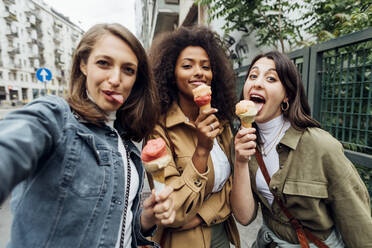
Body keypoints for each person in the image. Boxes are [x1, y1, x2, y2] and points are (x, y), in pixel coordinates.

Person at [0, 23, 175, 248]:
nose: (115, 79)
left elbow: (116, 230)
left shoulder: (128, 145)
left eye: (128, 70)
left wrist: (146, 218)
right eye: (104, 63)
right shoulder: (56, 117)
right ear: (83, 64)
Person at [231, 51, 372, 247]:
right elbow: (244, 217)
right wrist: (240, 161)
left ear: (286, 95)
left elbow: (357, 220)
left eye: (271, 78)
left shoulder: (320, 145)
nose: (257, 83)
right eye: (253, 76)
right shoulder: (242, 144)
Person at [145, 25, 240, 248]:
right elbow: (172, 211)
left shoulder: (222, 122)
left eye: (206, 67)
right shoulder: (159, 130)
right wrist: (201, 150)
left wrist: (200, 216)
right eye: (187, 66)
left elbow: (233, 185)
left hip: (223, 236)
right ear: (171, 73)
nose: (199, 72)